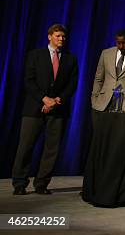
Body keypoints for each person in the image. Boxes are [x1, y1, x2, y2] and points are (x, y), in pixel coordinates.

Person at [12, 24, 78, 195]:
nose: (61, 39)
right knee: (25, 147)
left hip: (57, 110)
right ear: (49, 37)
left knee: (51, 149)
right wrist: (44, 99)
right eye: (57, 36)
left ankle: (41, 184)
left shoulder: (71, 59)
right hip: (34, 108)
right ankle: (19, 183)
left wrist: (57, 100)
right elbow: (29, 81)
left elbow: (72, 85)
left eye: (63, 36)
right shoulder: (35, 55)